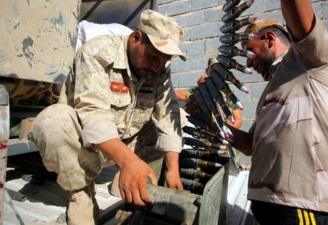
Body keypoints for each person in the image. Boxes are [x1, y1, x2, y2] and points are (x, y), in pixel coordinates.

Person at [29, 10, 185, 225]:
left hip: (127, 141)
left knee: (181, 120)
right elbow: (92, 112)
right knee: (52, 122)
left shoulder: (159, 69)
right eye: (153, 57)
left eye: (165, 60)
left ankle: (127, 178)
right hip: (89, 145)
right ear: (136, 38)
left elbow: (169, 117)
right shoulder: (97, 51)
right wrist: (129, 162)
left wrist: (173, 171)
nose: (158, 65)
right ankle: (81, 192)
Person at [228, 0, 328, 224]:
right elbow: (250, 145)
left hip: (302, 204)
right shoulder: (275, 86)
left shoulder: (308, 59)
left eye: (250, 51)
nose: (248, 64)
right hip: (271, 205)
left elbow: (297, 11)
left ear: (270, 39)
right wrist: (217, 126)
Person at [175, 58, 243, 129]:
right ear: (207, 71)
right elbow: (178, 94)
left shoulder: (229, 96)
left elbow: (237, 122)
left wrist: (222, 128)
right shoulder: (200, 91)